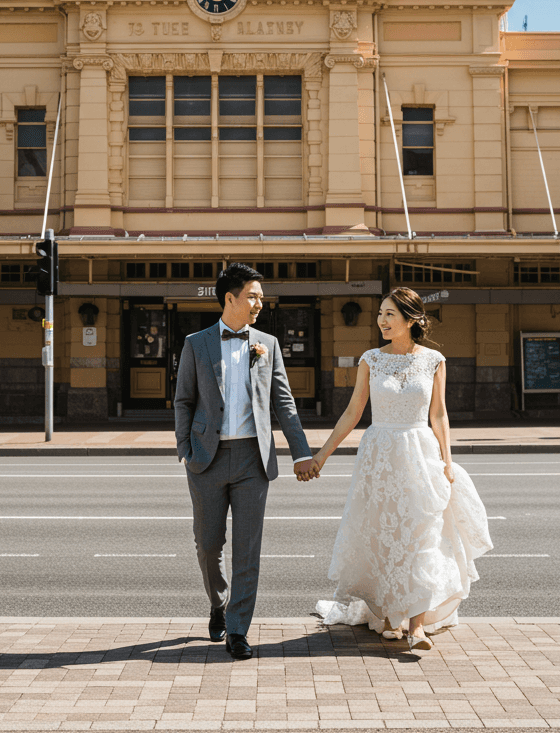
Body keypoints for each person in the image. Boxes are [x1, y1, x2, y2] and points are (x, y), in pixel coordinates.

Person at [311, 287, 492, 649]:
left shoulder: (434, 360)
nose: (381, 320)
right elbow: (352, 412)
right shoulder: (370, 360)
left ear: (411, 319)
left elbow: (438, 414)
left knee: (422, 535)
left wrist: (448, 461)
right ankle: (391, 615)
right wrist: (322, 455)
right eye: (380, 314)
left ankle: (417, 624)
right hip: (379, 456)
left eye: (390, 314)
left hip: (420, 453)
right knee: (383, 535)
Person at [174, 262, 318, 661]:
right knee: (208, 544)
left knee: (248, 549)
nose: (259, 303)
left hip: (254, 459)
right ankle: (218, 602)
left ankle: (238, 628)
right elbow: (183, 400)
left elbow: (283, 402)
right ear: (230, 298)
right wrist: (185, 448)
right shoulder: (196, 343)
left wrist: (301, 450)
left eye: (260, 296)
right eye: (252, 295)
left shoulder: (267, 344)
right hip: (206, 458)